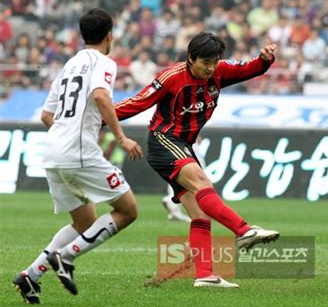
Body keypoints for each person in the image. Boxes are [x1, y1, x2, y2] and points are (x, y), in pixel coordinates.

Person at [114, 32, 279, 288]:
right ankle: (245, 231)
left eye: (215, 62)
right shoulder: (171, 78)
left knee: (200, 213)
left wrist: (264, 60)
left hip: (184, 145)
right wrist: (99, 117)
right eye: (206, 63)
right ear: (191, 58)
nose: (211, 68)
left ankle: (205, 276)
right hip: (163, 140)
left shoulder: (219, 71)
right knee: (203, 183)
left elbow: (249, 69)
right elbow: (137, 102)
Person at [12, 8, 143, 304]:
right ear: (110, 35)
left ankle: (30, 275)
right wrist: (120, 137)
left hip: (54, 151)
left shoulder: (68, 66)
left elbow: (47, 115)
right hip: (78, 151)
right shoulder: (105, 62)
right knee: (128, 210)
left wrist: (68, 132)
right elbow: (100, 95)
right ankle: (67, 256)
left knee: (84, 221)